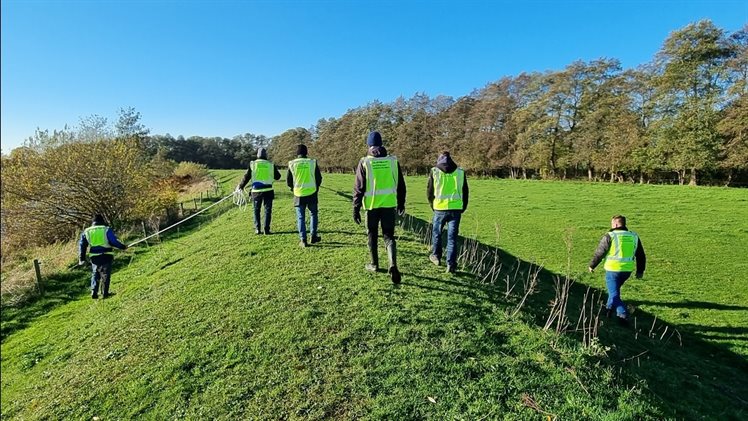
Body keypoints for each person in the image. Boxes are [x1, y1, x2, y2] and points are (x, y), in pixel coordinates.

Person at [352, 131, 406, 284]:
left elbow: (358, 188)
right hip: (389, 204)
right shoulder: (393, 161)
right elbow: (401, 185)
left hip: (372, 206)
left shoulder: (364, 162)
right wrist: (401, 202)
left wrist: (355, 208)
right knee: (389, 236)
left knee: (372, 235)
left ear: (369, 145)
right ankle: (393, 264)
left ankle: (374, 264)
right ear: (382, 144)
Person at [588, 215, 646, 326]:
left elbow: (600, 252)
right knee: (614, 291)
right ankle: (608, 310)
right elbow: (641, 255)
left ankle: (622, 315)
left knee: (614, 295)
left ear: (615, 224)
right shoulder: (634, 236)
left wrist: (592, 265)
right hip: (627, 271)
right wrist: (640, 271)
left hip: (612, 270)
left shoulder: (610, 236)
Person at [427, 151, 469, 274]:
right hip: (455, 209)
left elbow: (429, 192)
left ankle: (436, 256)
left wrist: (432, 205)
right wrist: (463, 207)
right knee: (452, 239)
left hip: (439, 208)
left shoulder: (434, 171)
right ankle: (451, 264)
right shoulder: (460, 172)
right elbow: (465, 191)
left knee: (437, 234)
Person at [78, 215, 128, 299]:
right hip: (106, 255)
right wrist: (122, 247)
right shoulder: (106, 229)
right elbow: (113, 241)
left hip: (94, 256)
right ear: (102, 220)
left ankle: (94, 291)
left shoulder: (87, 231)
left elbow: (82, 245)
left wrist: (81, 258)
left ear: (93, 222)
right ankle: (105, 293)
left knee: (95, 273)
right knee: (105, 274)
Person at [236, 148, 281, 235]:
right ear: (265, 155)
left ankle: (257, 229)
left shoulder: (253, 164)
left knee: (256, 210)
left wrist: (241, 186)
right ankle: (266, 230)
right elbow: (278, 177)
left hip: (256, 191)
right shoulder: (270, 165)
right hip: (268, 191)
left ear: (257, 155)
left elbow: (247, 177)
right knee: (268, 211)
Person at [287, 144, 323, 247]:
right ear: (306, 152)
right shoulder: (312, 162)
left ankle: (303, 240)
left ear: (297, 153)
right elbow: (319, 178)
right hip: (312, 193)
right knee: (313, 214)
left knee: (300, 218)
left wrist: (292, 189)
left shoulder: (292, 164)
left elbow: (289, 181)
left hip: (298, 194)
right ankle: (313, 236)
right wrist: (316, 188)